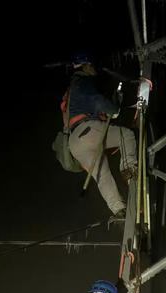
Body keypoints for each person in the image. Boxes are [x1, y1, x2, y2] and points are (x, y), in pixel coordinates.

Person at [61, 53, 137, 218]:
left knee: (102, 175)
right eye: (92, 66)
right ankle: (129, 168)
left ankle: (118, 209)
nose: (94, 69)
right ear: (86, 66)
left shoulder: (71, 90)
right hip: (87, 131)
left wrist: (108, 106)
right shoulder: (82, 81)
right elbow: (96, 100)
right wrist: (114, 109)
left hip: (74, 143)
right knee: (127, 135)